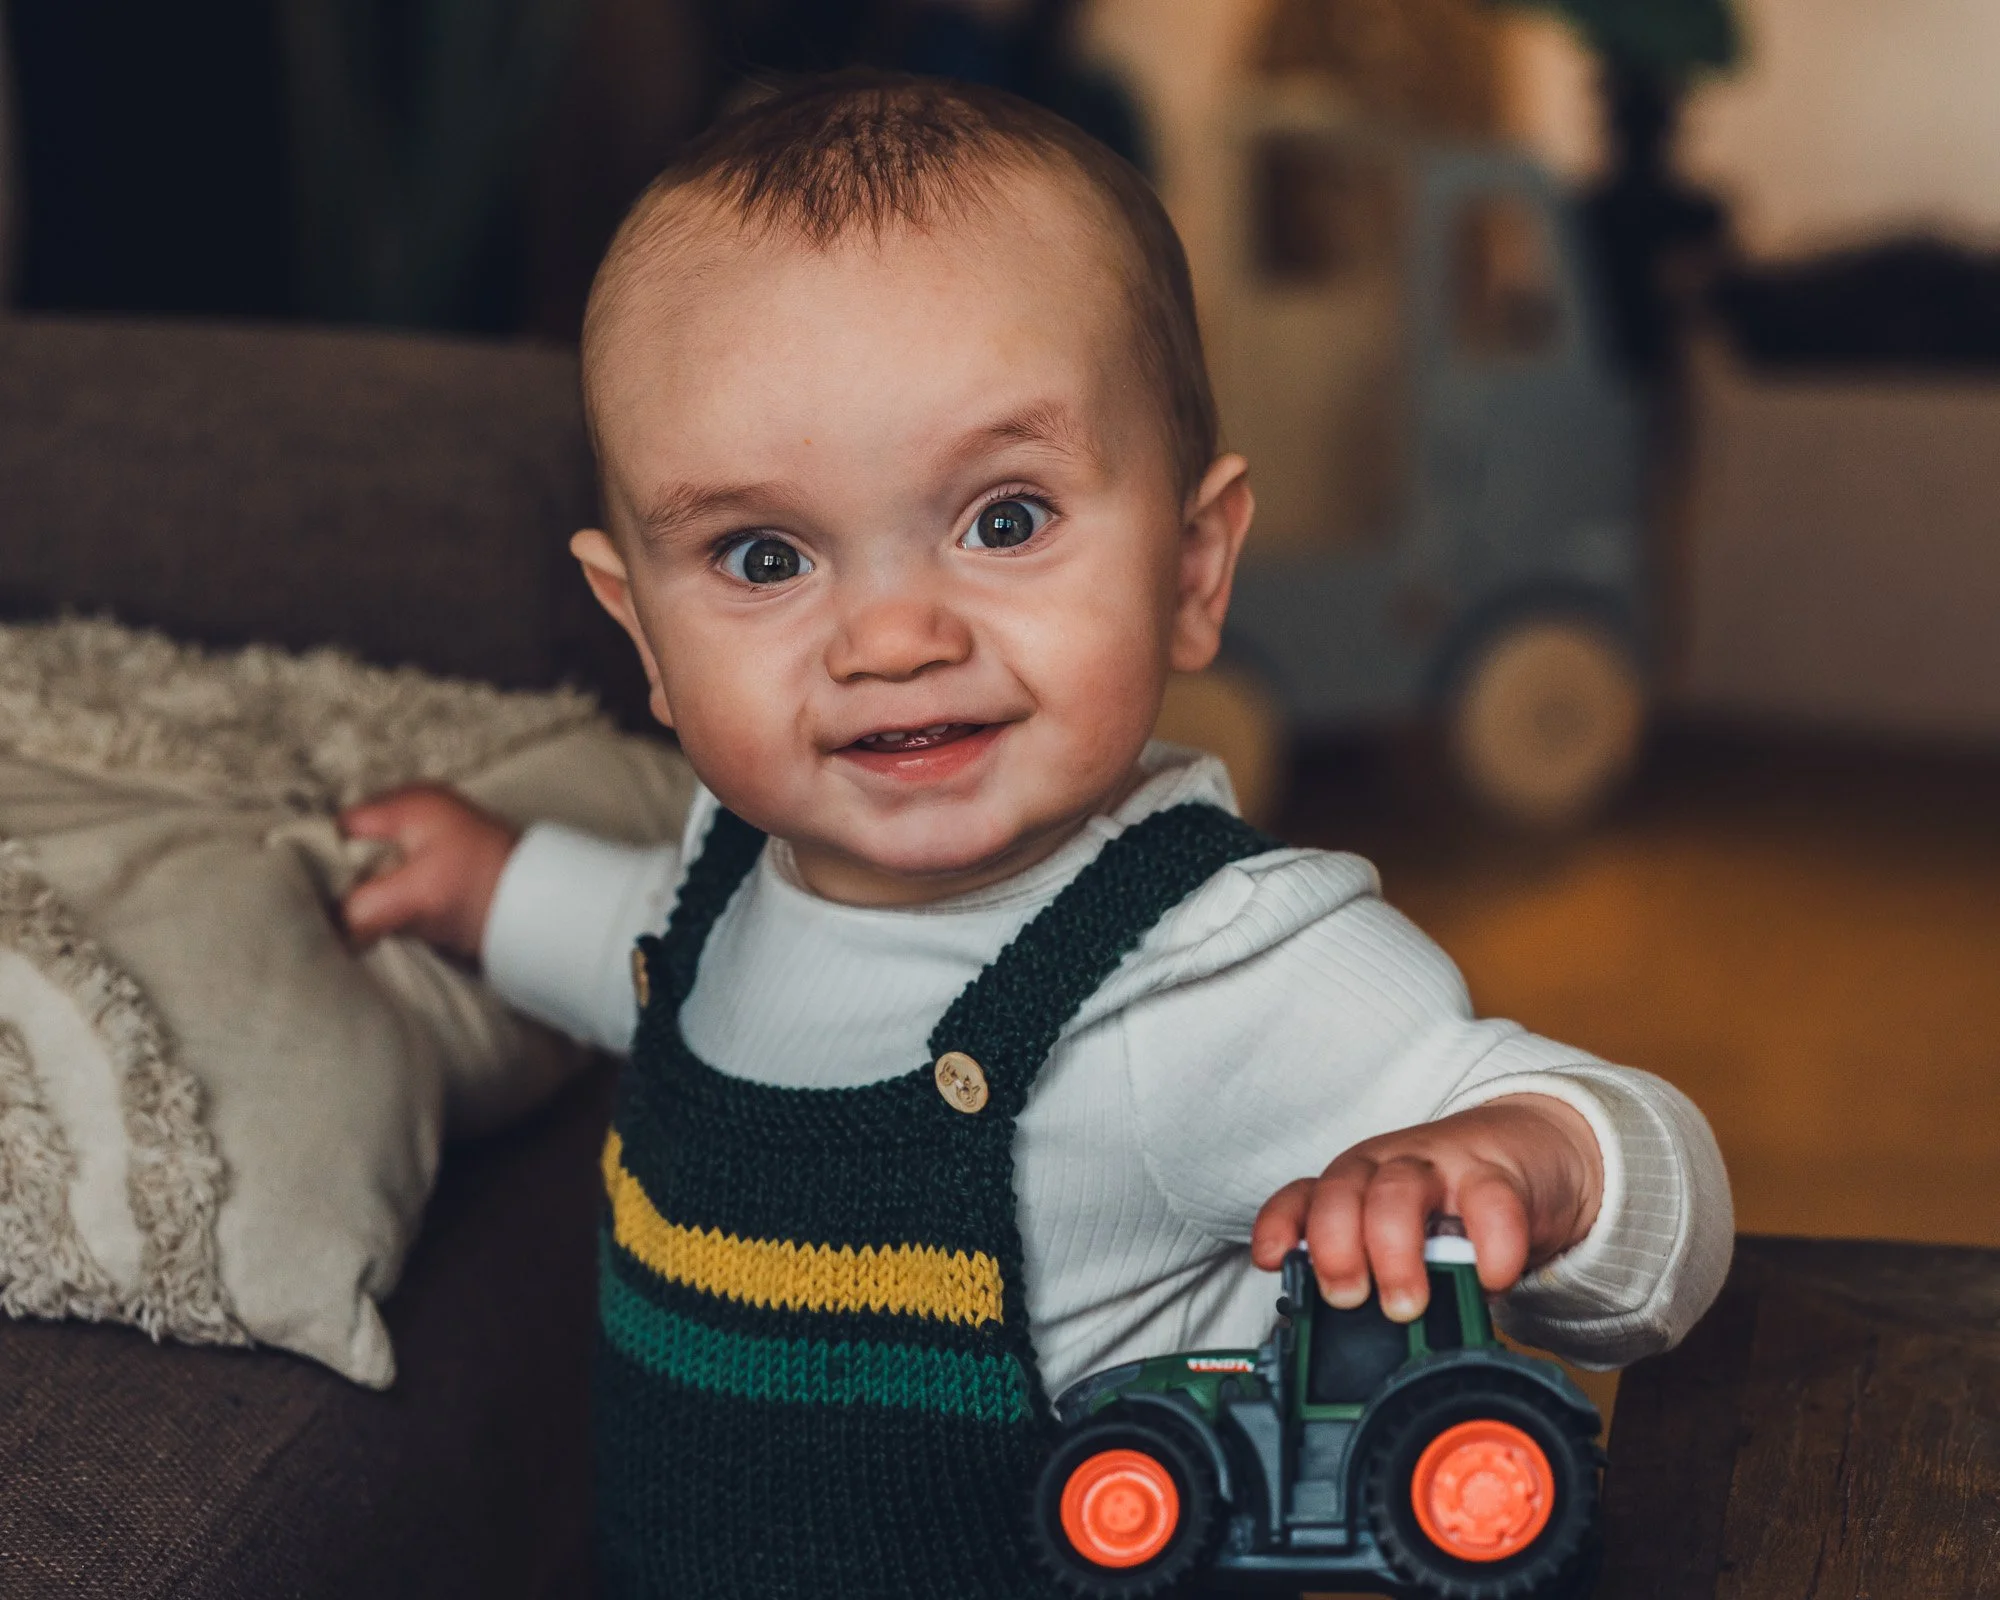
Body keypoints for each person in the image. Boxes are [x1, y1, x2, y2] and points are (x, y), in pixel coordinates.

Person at [339, 73, 1732, 1599]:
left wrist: (1527, 1156)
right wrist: (488, 888)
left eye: (1003, 519)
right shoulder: (731, 862)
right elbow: (652, 966)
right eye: (763, 554)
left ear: (1195, 570)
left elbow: (1673, 1220)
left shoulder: (1213, 969)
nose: (893, 635)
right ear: (644, 639)